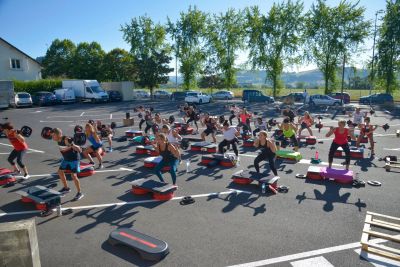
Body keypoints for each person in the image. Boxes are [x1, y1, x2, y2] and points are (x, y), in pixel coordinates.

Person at [52, 128, 84, 200]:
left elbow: (79, 149)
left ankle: (79, 193)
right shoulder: (58, 140)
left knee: (73, 176)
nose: (52, 137)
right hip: (66, 159)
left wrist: (72, 144)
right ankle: (66, 188)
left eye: (53, 135)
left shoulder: (66, 139)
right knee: (60, 172)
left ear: (58, 134)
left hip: (74, 159)